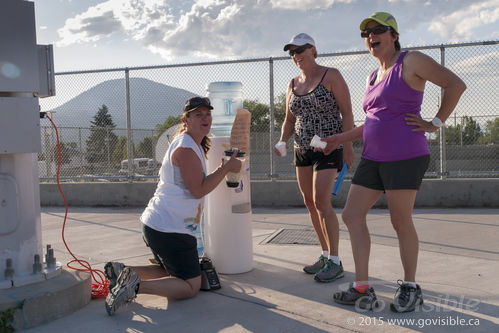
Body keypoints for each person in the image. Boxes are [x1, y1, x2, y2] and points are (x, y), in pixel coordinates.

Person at [319, 12, 466, 312]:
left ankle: (410, 287)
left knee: (400, 221)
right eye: (366, 33)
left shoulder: (411, 61)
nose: (371, 36)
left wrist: (435, 122)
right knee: (352, 215)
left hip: (406, 155)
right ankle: (363, 288)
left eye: (378, 30)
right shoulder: (373, 75)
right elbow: (373, 122)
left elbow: (455, 84)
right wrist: (341, 138)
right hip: (373, 157)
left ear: (394, 35)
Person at [103, 96, 242, 315]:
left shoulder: (189, 142)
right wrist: (226, 169)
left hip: (158, 225)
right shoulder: (186, 148)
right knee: (190, 286)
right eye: (198, 114)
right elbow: (199, 189)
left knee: (168, 269)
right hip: (170, 229)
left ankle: (122, 272)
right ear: (186, 119)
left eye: (207, 114)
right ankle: (134, 286)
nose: (205, 118)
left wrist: (223, 168)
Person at [275, 33, 355, 282]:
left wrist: (348, 148)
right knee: (309, 203)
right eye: (292, 52)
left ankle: (335, 260)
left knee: (322, 202)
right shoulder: (292, 83)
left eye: (300, 50)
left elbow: (347, 112)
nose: (296, 55)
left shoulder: (331, 75)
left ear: (313, 50)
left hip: (329, 147)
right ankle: (324, 254)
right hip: (302, 148)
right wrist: (282, 141)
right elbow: (290, 119)